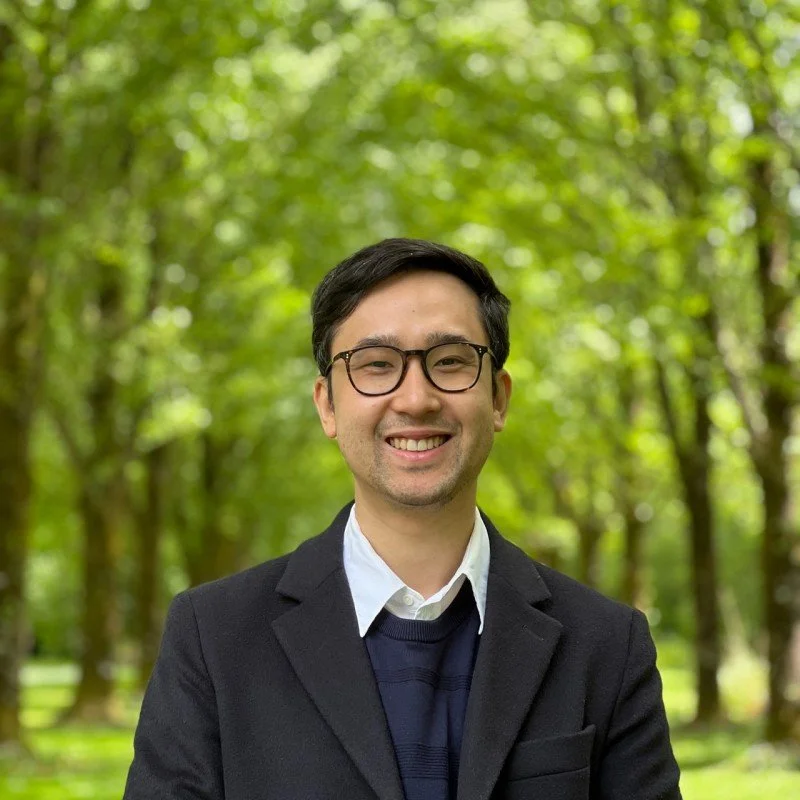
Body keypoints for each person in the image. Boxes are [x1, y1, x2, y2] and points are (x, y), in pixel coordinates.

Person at [123, 238, 681, 800]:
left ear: (499, 399)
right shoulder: (214, 637)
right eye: (376, 365)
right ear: (327, 406)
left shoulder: (608, 645)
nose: (416, 398)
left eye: (451, 362)